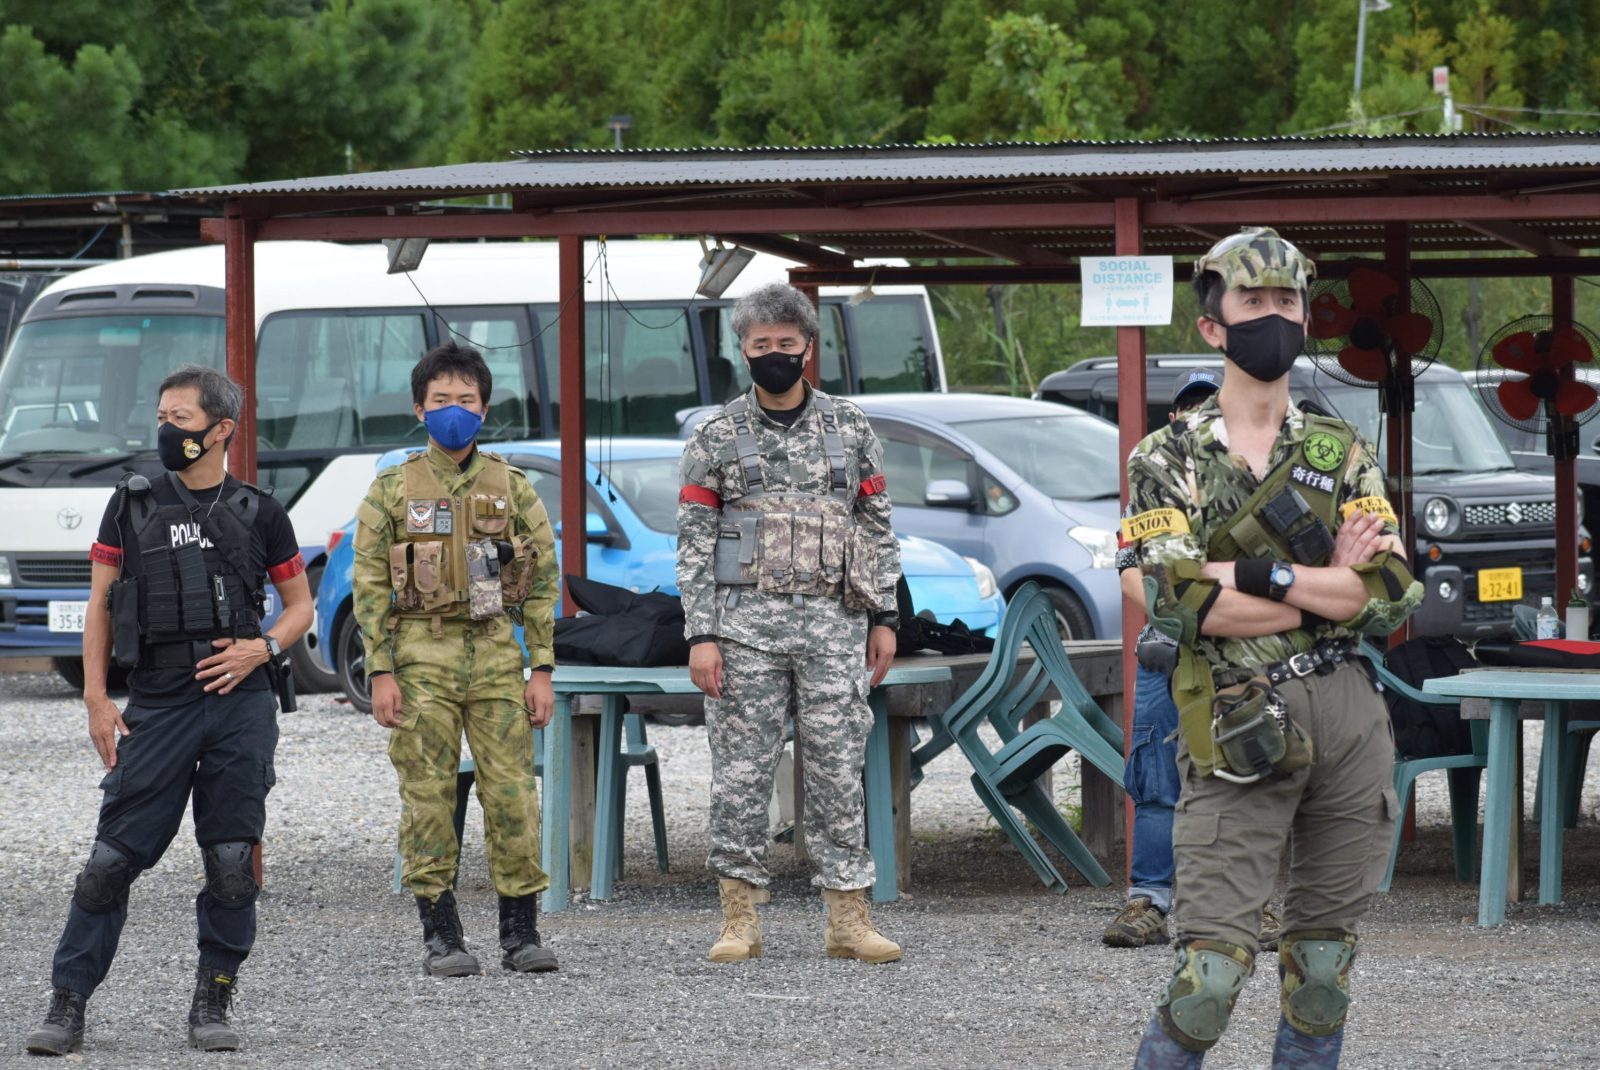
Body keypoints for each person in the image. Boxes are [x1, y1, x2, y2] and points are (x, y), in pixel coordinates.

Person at [1125, 228, 1422, 1070]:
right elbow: (1178, 603)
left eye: (1287, 301)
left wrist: (1257, 574)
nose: (1274, 317)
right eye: (1252, 302)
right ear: (1212, 325)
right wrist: (1326, 586)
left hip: (1348, 719)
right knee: (1209, 981)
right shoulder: (1166, 456)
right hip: (1236, 722)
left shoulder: (1338, 448)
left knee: (1322, 972)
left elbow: (1393, 590)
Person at [25, 365, 313, 1055]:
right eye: (161, 416)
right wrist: (96, 697)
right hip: (157, 700)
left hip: (240, 702)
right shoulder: (130, 504)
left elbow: (300, 607)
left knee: (231, 861)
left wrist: (261, 649)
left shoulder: (261, 512)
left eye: (180, 418)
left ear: (221, 429)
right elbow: (99, 603)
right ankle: (68, 1002)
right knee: (110, 861)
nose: (165, 429)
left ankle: (213, 1001)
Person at [678, 282, 903, 964]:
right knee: (740, 776)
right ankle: (739, 919)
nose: (773, 353)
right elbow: (694, 542)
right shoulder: (715, 436)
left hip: (835, 629)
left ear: (808, 347)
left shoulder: (849, 428)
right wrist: (701, 635)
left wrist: (885, 616)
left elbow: (876, 526)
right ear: (742, 349)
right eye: (760, 344)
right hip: (743, 634)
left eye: (786, 342)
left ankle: (848, 918)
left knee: (838, 771)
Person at [351, 341, 560, 978]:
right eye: (440, 399)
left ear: (485, 409)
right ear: (419, 409)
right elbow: (370, 586)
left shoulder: (512, 486)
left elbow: (542, 579)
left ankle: (521, 934)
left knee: (514, 796)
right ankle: (442, 936)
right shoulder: (392, 489)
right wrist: (380, 672)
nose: (453, 410)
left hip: (495, 654)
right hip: (421, 658)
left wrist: (541, 668)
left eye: (466, 400)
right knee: (428, 796)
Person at [1106, 369, 1280, 951]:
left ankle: (1251, 905)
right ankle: (1148, 901)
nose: (1199, 416)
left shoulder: (1261, 482)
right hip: (1170, 652)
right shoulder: (1153, 483)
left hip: (1243, 654)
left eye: (1212, 407)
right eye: (1191, 407)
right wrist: (1184, 617)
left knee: (1247, 771)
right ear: (1174, 418)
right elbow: (1130, 572)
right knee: (1156, 777)